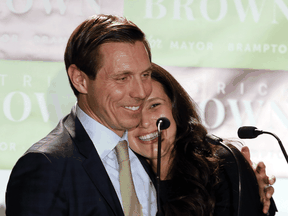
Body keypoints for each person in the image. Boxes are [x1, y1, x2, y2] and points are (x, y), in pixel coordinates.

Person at [5, 14, 157, 216]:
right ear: (80, 80)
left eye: (145, 75)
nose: (141, 92)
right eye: (122, 78)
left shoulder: (151, 149)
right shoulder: (45, 168)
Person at [128, 63, 277, 216]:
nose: (145, 122)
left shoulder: (223, 166)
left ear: (175, 108)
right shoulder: (115, 177)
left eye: (154, 105)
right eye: (132, 108)